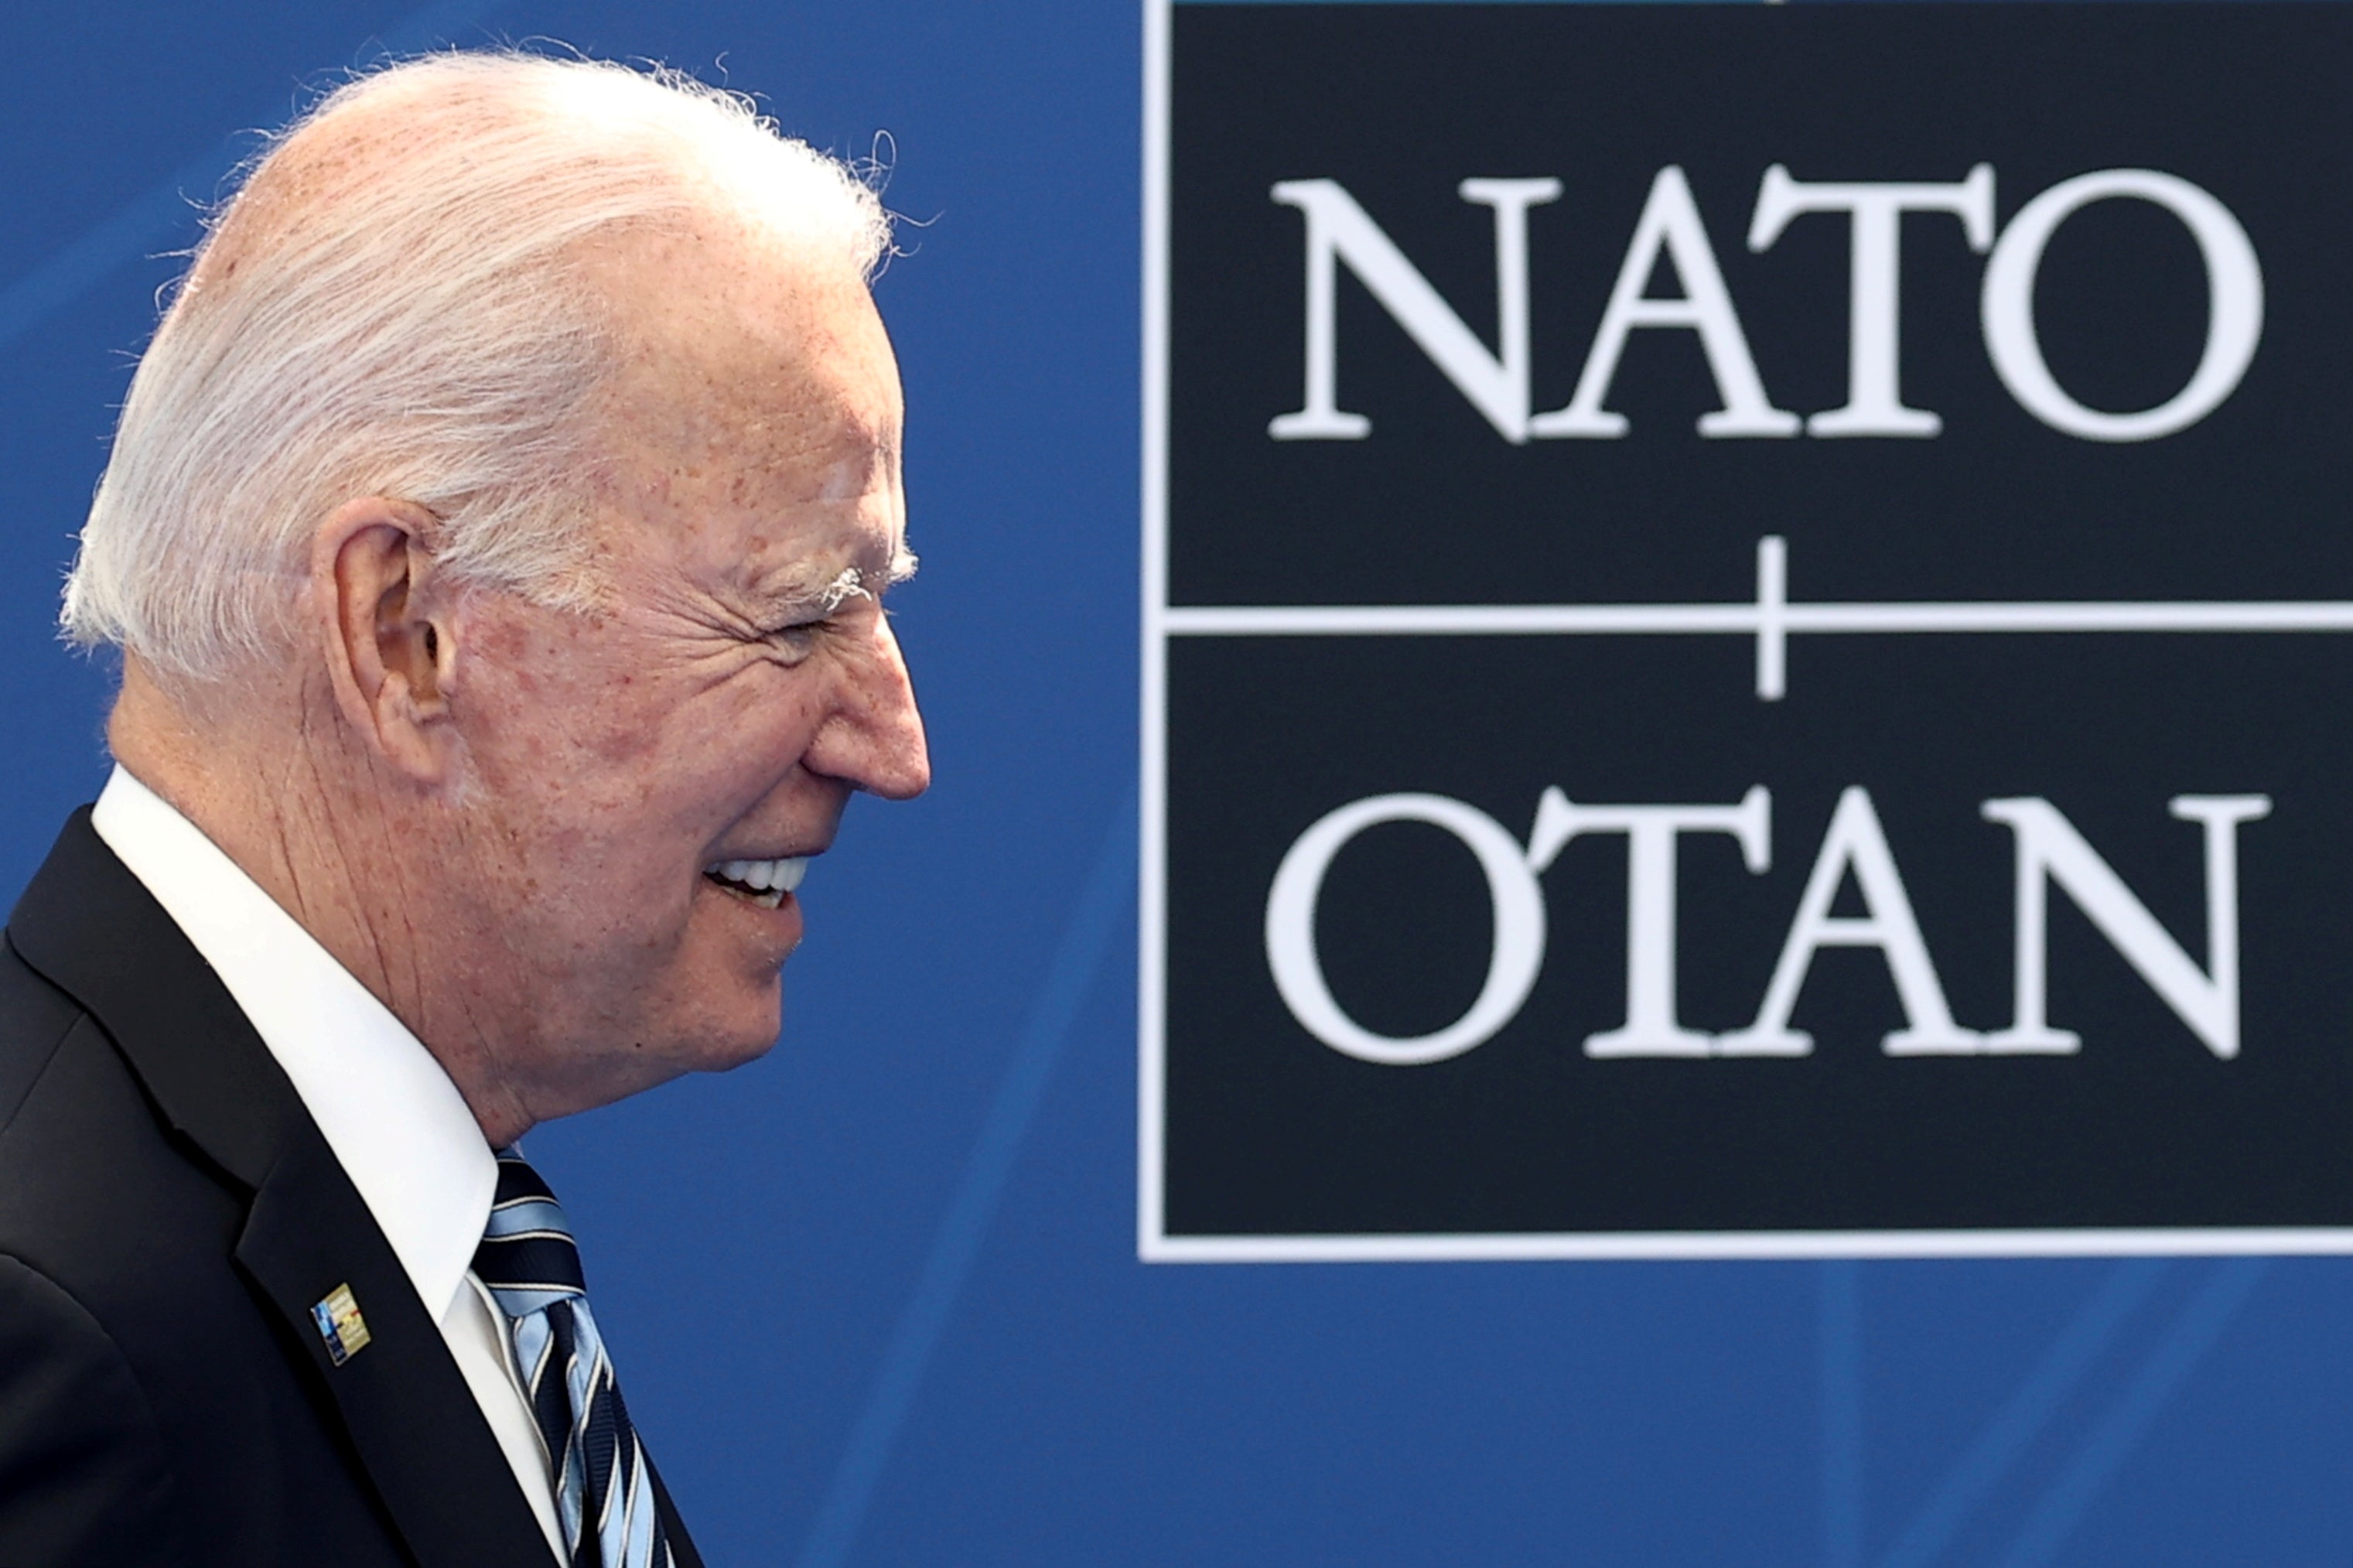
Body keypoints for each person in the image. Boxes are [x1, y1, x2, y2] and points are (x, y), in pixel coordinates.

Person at [0, 50, 931, 1568]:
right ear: (401, 632)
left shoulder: (422, 1254)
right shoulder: (53, 1330)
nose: (893, 746)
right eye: (796, 617)